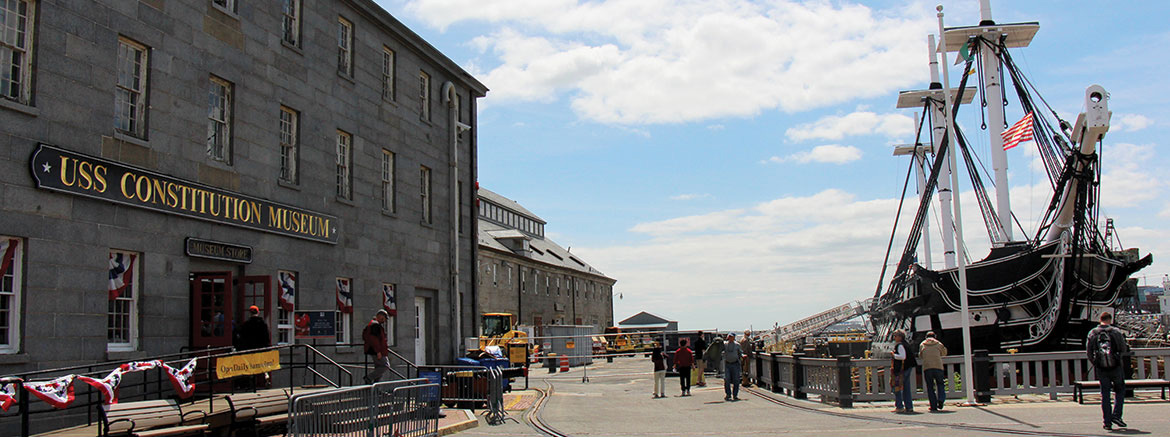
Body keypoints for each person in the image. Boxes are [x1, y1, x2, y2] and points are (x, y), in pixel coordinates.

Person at [1087, 312, 1130, 430]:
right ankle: (1116, 415)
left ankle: (1107, 422)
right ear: (1110, 319)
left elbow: (1089, 352)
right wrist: (1118, 358)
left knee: (1105, 395)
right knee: (1120, 391)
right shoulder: (1116, 332)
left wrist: (1096, 363)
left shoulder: (1093, 333)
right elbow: (1123, 348)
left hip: (1101, 368)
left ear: (1100, 320)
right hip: (1115, 366)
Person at [918, 331, 948, 412]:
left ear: (926, 337)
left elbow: (920, 355)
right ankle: (941, 399)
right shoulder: (938, 344)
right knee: (940, 384)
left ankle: (933, 406)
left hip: (927, 367)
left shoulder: (922, 344)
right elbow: (944, 353)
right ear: (935, 336)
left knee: (930, 387)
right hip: (938, 366)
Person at [363, 310, 392, 384]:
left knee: (379, 368)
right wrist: (378, 351)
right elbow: (374, 339)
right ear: (380, 317)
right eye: (384, 318)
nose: (385, 320)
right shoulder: (375, 325)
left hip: (375, 350)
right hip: (376, 351)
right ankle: (369, 378)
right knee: (385, 366)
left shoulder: (373, 325)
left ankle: (376, 388)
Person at [891, 330, 917, 413]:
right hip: (908, 367)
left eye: (895, 336)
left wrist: (893, 355)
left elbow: (902, 357)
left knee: (898, 386)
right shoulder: (906, 344)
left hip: (902, 369)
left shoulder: (900, 345)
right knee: (906, 387)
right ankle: (909, 406)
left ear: (900, 337)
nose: (894, 338)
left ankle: (899, 406)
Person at [723, 333, 743, 401]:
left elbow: (740, 353)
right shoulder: (725, 344)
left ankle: (735, 395)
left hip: (735, 364)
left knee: (736, 380)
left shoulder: (737, 345)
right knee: (727, 379)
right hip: (727, 364)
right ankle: (728, 394)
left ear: (734, 337)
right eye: (729, 336)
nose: (730, 338)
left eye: (732, 337)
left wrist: (743, 356)